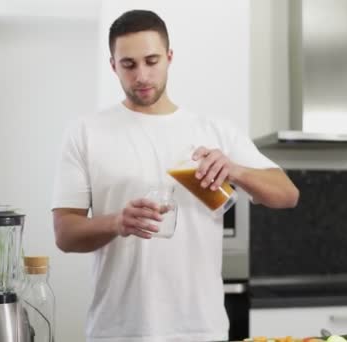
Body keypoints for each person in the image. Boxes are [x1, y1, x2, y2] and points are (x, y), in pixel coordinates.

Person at [51, 9, 299, 342]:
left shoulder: (214, 130)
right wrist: (116, 222)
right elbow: (66, 234)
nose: (141, 75)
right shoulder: (85, 132)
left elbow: (287, 194)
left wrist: (235, 170)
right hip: (117, 331)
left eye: (152, 61)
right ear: (113, 65)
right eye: (129, 64)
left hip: (201, 329)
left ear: (169, 58)